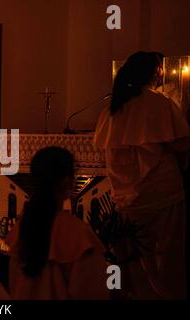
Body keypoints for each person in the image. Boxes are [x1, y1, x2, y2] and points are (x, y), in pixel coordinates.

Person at [94, 51, 190, 299]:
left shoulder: (115, 107)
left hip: (126, 198)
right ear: (152, 73)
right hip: (162, 192)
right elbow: (182, 144)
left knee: (133, 260)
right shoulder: (159, 103)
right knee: (166, 257)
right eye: (159, 70)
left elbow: (112, 154)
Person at [8, 147, 109, 300]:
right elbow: (93, 292)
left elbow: (14, 285)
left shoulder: (22, 229)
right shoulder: (79, 235)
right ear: (68, 182)